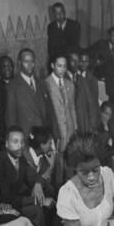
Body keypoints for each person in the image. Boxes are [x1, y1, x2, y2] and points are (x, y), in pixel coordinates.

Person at [0, 126, 53, 226]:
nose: (20, 146)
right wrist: (38, 200)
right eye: (15, 142)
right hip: (4, 207)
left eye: (22, 142)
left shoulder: (20, 158)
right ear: (6, 144)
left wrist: (38, 183)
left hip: (17, 202)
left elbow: (32, 176)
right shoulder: (1, 162)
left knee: (40, 207)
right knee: (36, 209)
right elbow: (6, 197)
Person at [44, 54, 78, 185]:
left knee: (69, 165)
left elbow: (72, 108)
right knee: (57, 167)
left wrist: (75, 128)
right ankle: (58, 193)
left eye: (64, 66)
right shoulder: (46, 84)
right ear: (52, 65)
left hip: (69, 131)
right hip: (56, 132)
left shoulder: (69, 84)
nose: (62, 69)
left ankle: (70, 191)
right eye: (59, 66)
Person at [5, 48, 52, 136]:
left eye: (32, 61)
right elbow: (11, 118)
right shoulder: (13, 86)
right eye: (26, 61)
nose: (30, 65)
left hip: (43, 137)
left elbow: (48, 114)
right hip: (26, 136)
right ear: (19, 63)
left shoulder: (41, 83)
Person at [69, 48, 99, 133]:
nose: (83, 64)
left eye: (86, 61)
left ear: (89, 63)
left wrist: (93, 123)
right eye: (81, 61)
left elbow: (94, 102)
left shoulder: (92, 80)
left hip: (87, 119)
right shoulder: (73, 77)